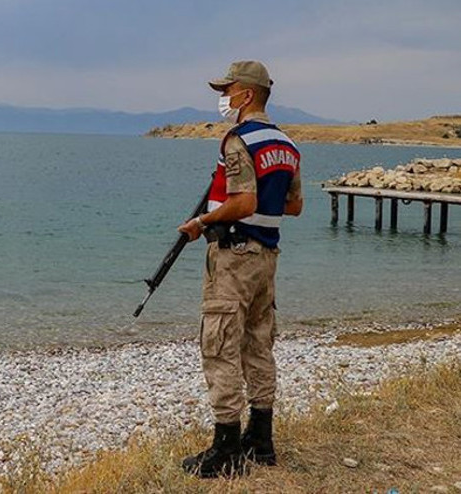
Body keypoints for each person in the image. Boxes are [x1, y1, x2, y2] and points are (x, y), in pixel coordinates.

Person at [177, 60, 303, 478]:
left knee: (220, 346)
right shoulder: (286, 144)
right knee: (258, 343)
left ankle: (226, 447)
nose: (224, 98)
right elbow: (294, 205)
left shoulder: (238, 140)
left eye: (228, 90)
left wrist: (203, 222)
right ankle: (261, 439)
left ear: (247, 95)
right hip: (267, 259)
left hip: (234, 255)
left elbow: (243, 201)